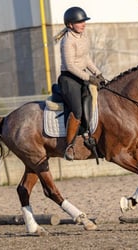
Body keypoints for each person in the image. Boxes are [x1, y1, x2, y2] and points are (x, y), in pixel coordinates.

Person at [54, 6, 105, 161]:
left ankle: (89, 134)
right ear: (70, 25)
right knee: (77, 110)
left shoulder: (83, 36)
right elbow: (70, 66)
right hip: (69, 79)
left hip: (81, 77)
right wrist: (89, 78)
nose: (83, 24)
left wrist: (98, 73)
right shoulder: (67, 41)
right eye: (80, 22)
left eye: (84, 21)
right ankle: (69, 146)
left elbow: (85, 59)